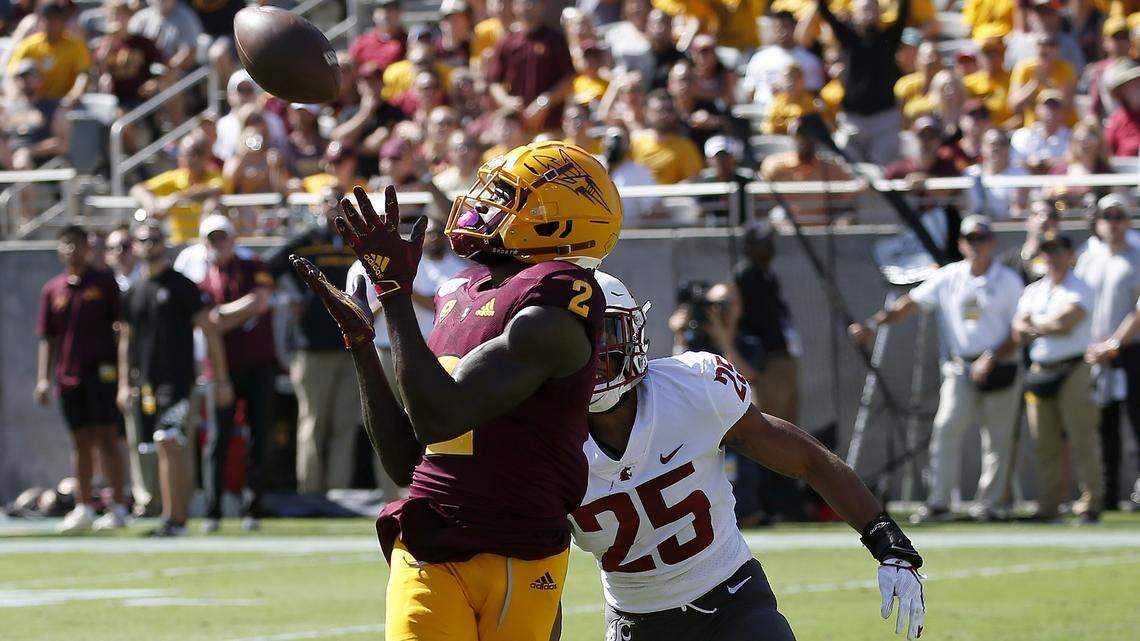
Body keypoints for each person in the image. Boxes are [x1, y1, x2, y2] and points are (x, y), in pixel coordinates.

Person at [289, 140, 621, 640]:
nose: (484, 205)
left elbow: (442, 416)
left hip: (521, 551)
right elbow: (408, 462)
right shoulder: (459, 289)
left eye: (506, 196)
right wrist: (361, 342)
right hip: (430, 540)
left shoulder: (557, 296)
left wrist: (396, 297)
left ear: (559, 217)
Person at [563, 272, 925, 641]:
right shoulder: (537, 443)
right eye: (575, 341)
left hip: (731, 598)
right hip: (635, 621)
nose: (594, 354)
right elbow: (536, 575)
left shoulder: (693, 387)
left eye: (604, 333)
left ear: (633, 334)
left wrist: (886, 538)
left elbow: (808, 460)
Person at [849, 215, 1024, 522]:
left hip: (1001, 365)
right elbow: (911, 303)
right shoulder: (949, 276)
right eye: (970, 239)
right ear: (961, 244)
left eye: (982, 238)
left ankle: (990, 505)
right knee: (946, 429)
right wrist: (872, 324)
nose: (976, 245)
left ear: (992, 242)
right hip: (960, 367)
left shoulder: (1008, 280)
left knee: (997, 438)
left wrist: (992, 357)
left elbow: (1019, 328)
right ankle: (940, 501)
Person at [117, 223, 230, 536]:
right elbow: (126, 341)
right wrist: (125, 384)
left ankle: (175, 518)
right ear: (135, 246)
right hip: (147, 383)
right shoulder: (133, 291)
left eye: (155, 239)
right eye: (143, 240)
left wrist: (220, 378)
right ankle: (169, 514)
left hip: (178, 379)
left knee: (170, 443)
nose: (149, 244)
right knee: (157, 447)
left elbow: (209, 330)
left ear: (164, 243)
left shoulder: (181, 286)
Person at [266, 188, 362, 493]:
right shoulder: (306, 241)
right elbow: (268, 267)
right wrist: (290, 297)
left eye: (338, 200)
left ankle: (339, 492)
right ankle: (310, 492)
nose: (333, 206)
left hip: (352, 345)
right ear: (317, 206)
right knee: (312, 422)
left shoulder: (356, 240)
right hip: (311, 347)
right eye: (327, 200)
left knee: (345, 423)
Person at [35, 225, 127, 533]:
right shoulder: (53, 290)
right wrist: (43, 379)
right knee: (80, 442)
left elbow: (121, 330)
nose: (71, 250)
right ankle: (84, 506)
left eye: (77, 244)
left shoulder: (103, 283)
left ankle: (117, 506)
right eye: (66, 244)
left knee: (107, 439)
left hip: (101, 374)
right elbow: (47, 337)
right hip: (68, 377)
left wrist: (123, 376)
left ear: (87, 248)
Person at [1012, 232, 1105, 524]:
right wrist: (1042, 326)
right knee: (1045, 442)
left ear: (1069, 255)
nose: (1051, 257)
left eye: (1057, 251)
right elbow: (1017, 332)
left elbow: (1066, 323)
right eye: (1047, 252)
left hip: (1074, 368)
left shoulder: (1081, 287)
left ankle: (1090, 503)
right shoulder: (1034, 290)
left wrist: (1034, 325)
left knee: (1082, 438)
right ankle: (1049, 505)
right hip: (1041, 369)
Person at [197, 214, 277, 533]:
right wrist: (229, 315)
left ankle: (252, 506)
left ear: (233, 238)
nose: (219, 244)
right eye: (212, 239)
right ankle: (213, 509)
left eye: (223, 237)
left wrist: (221, 317)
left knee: (259, 435)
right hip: (221, 368)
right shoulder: (203, 280)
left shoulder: (253, 265)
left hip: (258, 363)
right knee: (217, 440)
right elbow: (208, 322)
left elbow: (259, 303)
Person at [1077, 194, 1140, 513]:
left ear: (1127, 221)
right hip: (1094, 353)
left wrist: (1114, 344)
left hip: (1130, 351)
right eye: (1107, 217)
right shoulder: (1089, 257)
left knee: (1137, 421)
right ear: (1098, 223)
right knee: (1104, 425)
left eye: (1118, 217)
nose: (1113, 223)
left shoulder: (1137, 254)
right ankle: (1109, 493)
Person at [811, 0, 910, 166]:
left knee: (883, 170)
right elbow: (826, 13)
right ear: (855, 14)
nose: (869, 13)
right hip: (853, 119)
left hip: (884, 119)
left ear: (880, 12)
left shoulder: (889, 38)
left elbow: (903, 13)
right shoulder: (849, 39)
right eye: (864, 9)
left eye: (873, 9)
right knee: (849, 169)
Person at [486, 0, 576, 132]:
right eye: (522, 2)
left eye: (532, 2)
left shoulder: (555, 39)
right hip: (516, 129)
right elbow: (494, 82)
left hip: (551, 126)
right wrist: (507, 101)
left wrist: (545, 102)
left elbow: (568, 79)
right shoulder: (507, 41)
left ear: (542, 5)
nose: (526, 7)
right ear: (514, 6)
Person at [130, 134, 225, 244]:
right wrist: (153, 205)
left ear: (206, 156)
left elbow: (217, 189)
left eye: (198, 153)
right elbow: (137, 189)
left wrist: (176, 198)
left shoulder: (213, 175)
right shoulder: (174, 177)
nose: (192, 158)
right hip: (178, 244)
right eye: (188, 153)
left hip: (204, 245)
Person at [5, 0, 89, 104]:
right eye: (49, 19)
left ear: (63, 22)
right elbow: (11, 72)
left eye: (57, 20)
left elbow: (83, 74)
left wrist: (75, 93)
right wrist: (16, 94)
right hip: (32, 101)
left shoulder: (75, 46)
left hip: (62, 102)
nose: (52, 25)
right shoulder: (29, 44)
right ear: (41, 21)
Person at [630, 90, 703, 184]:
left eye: (669, 110)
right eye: (659, 111)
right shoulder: (634, 143)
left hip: (671, 197)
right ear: (647, 112)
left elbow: (693, 179)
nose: (664, 115)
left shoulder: (685, 146)